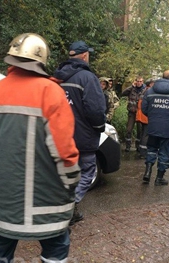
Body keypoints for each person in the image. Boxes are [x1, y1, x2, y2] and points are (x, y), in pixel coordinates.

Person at [0, 33, 80, 263]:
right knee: (56, 249)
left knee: (0, 251)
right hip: (46, 197)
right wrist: (72, 181)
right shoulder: (51, 92)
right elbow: (64, 152)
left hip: (3, 195)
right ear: (41, 61)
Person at [54, 40, 106, 225]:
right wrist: (100, 127)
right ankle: (69, 206)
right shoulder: (87, 78)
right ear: (84, 55)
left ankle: (70, 210)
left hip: (60, 136)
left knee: (65, 174)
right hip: (82, 137)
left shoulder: (57, 77)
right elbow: (96, 110)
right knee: (87, 172)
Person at [121, 76, 146, 152]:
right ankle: (128, 146)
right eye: (137, 81)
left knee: (140, 130)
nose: (139, 83)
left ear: (142, 82)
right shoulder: (132, 89)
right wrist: (131, 86)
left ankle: (137, 146)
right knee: (129, 129)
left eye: (140, 81)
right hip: (131, 112)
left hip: (140, 113)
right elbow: (123, 93)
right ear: (135, 81)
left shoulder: (145, 91)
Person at [136, 78, 155, 158]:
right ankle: (143, 153)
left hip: (142, 115)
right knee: (145, 134)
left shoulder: (144, 90)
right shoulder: (150, 92)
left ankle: (141, 150)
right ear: (150, 84)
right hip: (145, 116)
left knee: (143, 133)